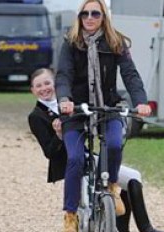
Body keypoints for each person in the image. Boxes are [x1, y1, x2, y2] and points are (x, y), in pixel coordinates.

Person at [55, 0, 152, 230]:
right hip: (77, 111)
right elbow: (63, 75)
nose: (89, 18)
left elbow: (131, 75)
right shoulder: (71, 43)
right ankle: (70, 213)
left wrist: (140, 102)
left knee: (115, 145)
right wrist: (65, 100)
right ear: (79, 17)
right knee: (76, 159)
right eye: (84, 14)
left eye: (95, 13)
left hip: (108, 108)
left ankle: (109, 188)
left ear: (104, 17)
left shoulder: (116, 42)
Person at [28, 68, 161, 232]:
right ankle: (75, 217)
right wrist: (59, 134)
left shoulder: (74, 101)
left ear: (56, 83)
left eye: (47, 83)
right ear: (33, 91)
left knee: (133, 177)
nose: (44, 88)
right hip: (67, 162)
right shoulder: (36, 116)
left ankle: (134, 227)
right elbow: (49, 152)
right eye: (38, 86)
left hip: (87, 155)